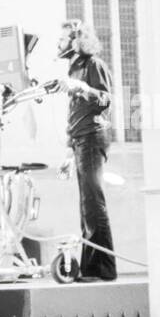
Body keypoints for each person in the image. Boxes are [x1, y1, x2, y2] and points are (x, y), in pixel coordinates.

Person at [46, 19, 116, 282]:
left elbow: (106, 99)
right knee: (87, 206)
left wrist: (82, 88)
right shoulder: (73, 69)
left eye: (63, 39)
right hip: (79, 140)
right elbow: (75, 113)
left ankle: (102, 270)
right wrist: (67, 152)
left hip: (92, 137)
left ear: (76, 40)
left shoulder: (93, 65)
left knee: (94, 205)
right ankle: (91, 269)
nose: (59, 44)